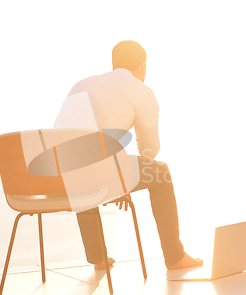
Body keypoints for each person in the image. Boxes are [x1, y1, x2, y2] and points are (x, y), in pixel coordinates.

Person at [54, 40, 203, 270]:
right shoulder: (141, 91)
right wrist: (120, 177)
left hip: (54, 175)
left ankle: (98, 258)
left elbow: (78, 139)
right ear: (143, 66)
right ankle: (175, 256)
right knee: (160, 172)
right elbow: (149, 151)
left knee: (81, 165)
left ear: (114, 64)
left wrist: (119, 174)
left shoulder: (80, 85)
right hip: (95, 172)